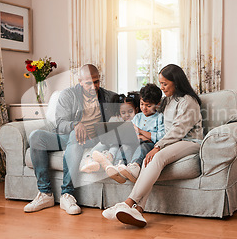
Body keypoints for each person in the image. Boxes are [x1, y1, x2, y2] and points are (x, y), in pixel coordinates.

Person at [102, 64, 203, 227]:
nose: (162, 87)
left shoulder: (188, 101)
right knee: (148, 159)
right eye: (161, 83)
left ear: (176, 82)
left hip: (190, 141)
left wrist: (158, 146)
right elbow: (152, 115)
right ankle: (139, 210)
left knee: (158, 156)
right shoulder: (168, 100)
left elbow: (179, 130)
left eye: (165, 84)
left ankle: (127, 203)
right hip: (172, 141)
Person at [23, 64, 116, 215]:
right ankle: (45, 194)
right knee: (36, 137)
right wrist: (75, 124)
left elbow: (129, 108)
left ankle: (67, 193)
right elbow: (60, 124)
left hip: (92, 139)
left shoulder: (109, 97)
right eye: (88, 83)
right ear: (79, 81)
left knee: (75, 135)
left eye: (97, 81)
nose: (93, 87)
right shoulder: (68, 95)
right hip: (67, 135)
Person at [104, 83, 165, 184]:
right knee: (125, 146)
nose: (144, 108)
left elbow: (161, 137)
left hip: (149, 144)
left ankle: (134, 167)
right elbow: (131, 133)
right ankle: (118, 166)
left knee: (143, 147)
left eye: (148, 106)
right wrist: (139, 136)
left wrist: (141, 132)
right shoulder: (137, 117)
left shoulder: (159, 117)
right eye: (142, 104)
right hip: (135, 141)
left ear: (157, 104)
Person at [80, 92, 140, 173]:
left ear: (136, 110)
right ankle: (90, 159)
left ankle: (108, 157)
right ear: (119, 112)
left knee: (115, 145)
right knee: (103, 143)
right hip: (113, 142)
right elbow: (108, 134)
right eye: (123, 113)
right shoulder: (116, 119)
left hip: (124, 144)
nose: (127, 115)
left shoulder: (137, 120)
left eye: (130, 111)